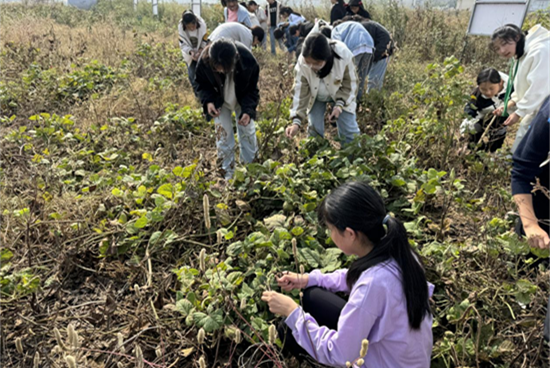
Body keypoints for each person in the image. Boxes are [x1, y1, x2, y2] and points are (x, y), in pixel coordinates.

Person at [261, 181, 433, 367]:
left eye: (331, 229)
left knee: (288, 331)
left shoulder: (371, 286)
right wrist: (308, 279)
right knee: (312, 295)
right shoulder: (400, 254)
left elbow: (339, 354)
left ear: (350, 234)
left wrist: (291, 311)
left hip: (379, 361)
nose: (330, 235)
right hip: (398, 355)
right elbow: (355, 276)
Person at [195, 39, 259, 179]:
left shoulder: (248, 61)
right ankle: (226, 174)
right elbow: (201, 84)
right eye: (216, 68)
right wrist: (209, 102)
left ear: (235, 57)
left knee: (247, 132)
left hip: (241, 97)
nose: (220, 71)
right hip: (219, 100)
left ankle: (251, 172)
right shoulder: (205, 61)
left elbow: (252, 90)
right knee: (223, 135)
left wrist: (248, 110)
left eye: (224, 68)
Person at [285, 33, 360, 145]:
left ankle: (353, 158)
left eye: (317, 63)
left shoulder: (343, 55)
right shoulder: (302, 63)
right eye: (308, 63)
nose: (311, 66)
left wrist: (339, 106)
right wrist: (296, 122)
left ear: (326, 56)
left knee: (349, 129)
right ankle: (317, 158)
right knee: (314, 129)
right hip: (316, 96)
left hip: (341, 94)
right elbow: (300, 91)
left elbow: (350, 83)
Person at [491, 24, 550, 153]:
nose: (502, 50)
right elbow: (523, 84)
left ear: (517, 37)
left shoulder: (540, 50)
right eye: (497, 48)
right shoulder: (520, 54)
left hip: (545, 104)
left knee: (528, 133)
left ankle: (517, 164)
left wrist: (519, 113)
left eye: (504, 43)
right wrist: (511, 103)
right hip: (540, 103)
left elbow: (539, 87)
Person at [512, 94, 550, 248]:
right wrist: (530, 225)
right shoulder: (548, 116)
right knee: (531, 258)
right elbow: (522, 172)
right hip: (545, 200)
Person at [461, 68, 510, 152]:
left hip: (501, 118)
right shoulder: (477, 94)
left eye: (491, 89)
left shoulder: (512, 88)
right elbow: (469, 109)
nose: (488, 92)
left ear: (500, 83)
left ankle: (493, 151)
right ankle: (476, 150)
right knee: (473, 129)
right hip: (481, 117)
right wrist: (464, 134)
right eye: (483, 89)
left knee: (498, 130)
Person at [330, 20, 375, 102]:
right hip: (369, 46)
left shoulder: (335, 29)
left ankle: (347, 102)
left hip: (355, 47)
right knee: (361, 76)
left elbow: (336, 46)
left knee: (349, 77)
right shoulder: (350, 24)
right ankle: (358, 101)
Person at [178, 11, 209, 97]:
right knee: (192, 75)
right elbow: (182, 43)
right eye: (189, 27)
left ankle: (206, 95)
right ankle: (198, 96)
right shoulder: (180, 27)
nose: (192, 28)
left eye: (193, 26)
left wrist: (200, 50)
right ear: (185, 25)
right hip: (190, 54)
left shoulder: (202, 24)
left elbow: (205, 38)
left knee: (204, 73)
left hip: (202, 50)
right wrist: (191, 52)